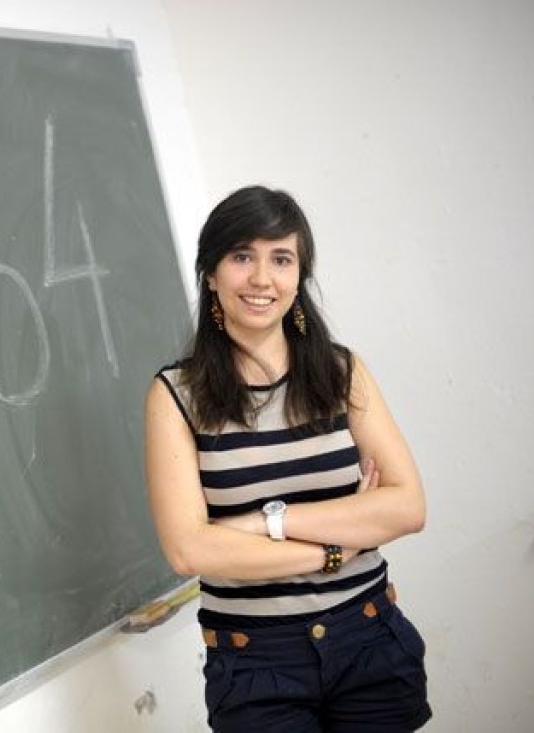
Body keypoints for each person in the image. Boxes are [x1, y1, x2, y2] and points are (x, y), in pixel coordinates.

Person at [143, 185, 432, 732]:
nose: (261, 279)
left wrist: (265, 523)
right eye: (241, 257)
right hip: (255, 662)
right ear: (210, 272)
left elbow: (408, 508)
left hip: (368, 639)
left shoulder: (342, 374)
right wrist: (337, 547)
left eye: (281, 259)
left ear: (299, 276)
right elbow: (189, 549)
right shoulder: (174, 396)